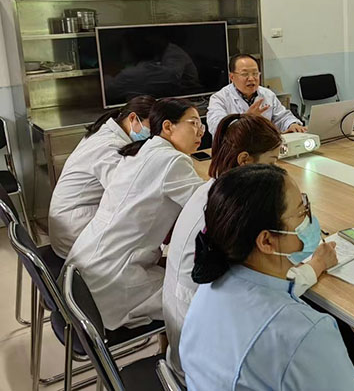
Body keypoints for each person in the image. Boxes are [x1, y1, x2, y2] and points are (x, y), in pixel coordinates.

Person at [180, 165, 354, 391]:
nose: (309, 219)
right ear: (267, 241)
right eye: (302, 212)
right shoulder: (303, 332)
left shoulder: (211, 285)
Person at [163, 114, 336, 384]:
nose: (278, 171)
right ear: (245, 161)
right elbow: (257, 291)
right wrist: (316, 265)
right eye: (272, 163)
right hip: (209, 362)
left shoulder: (216, 195)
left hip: (196, 351)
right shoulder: (230, 217)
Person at [65, 98, 206, 330]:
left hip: (85, 268)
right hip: (112, 280)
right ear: (168, 126)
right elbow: (206, 208)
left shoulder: (141, 151)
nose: (200, 131)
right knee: (199, 298)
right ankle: (179, 353)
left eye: (201, 125)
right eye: (193, 123)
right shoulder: (172, 160)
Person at [48, 95, 156, 258]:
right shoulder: (110, 147)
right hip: (75, 237)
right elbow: (127, 195)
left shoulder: (106, 132)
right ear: (133, 118)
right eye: (152, 129)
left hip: (72, 223)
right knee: (147, 239)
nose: (153, 136)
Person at [207, 54, 306, 136]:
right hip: (232, 150)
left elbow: (282, 117)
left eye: (255, 73)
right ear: (232, 77)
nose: (251, 78)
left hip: (264, 147)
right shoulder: (219, 99)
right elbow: (218, 128)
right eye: (245, 74)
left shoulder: (267, 94)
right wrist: (245, 120)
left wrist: (292, 124)